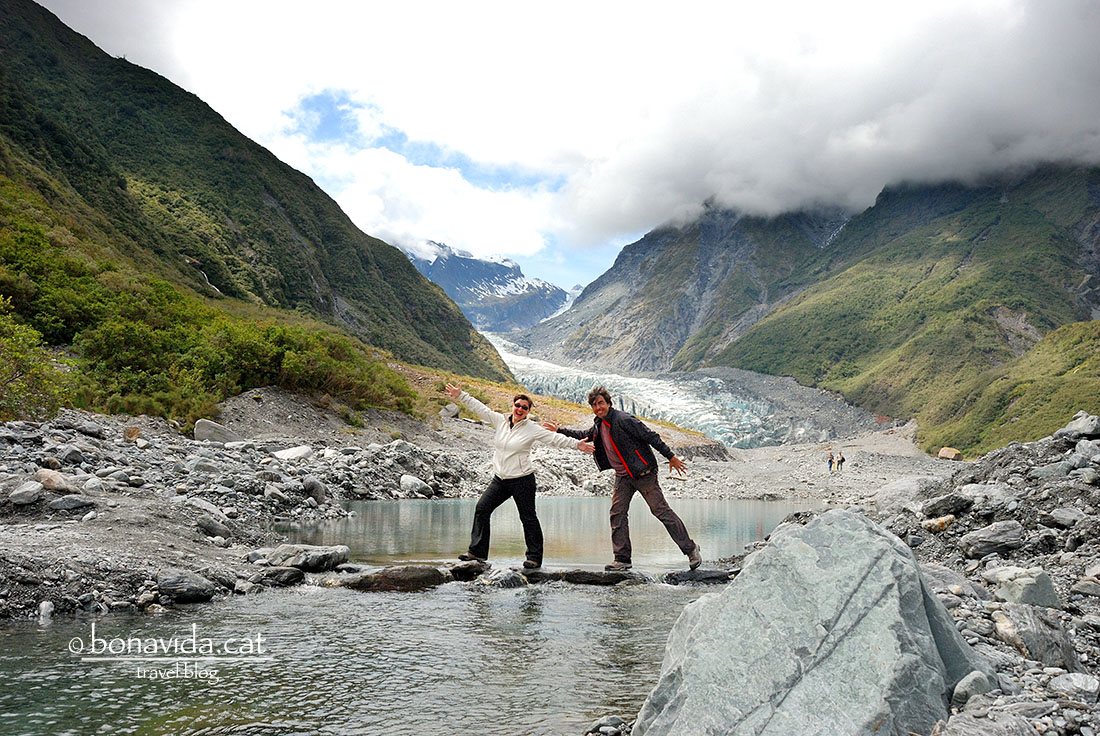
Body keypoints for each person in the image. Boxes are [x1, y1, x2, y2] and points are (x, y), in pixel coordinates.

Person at [542, 386, 702, 571]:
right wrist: (560, 430)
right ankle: (622, 559)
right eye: (594, 405)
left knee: (660, 511)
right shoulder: (599, 425)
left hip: (644, 473)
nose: (598, 407)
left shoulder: (624, 420)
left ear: (608, 403)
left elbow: (651, 436)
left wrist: (671, 457)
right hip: (624, 476)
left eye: (601, 403)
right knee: (617, 514)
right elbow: (584, 436)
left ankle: (691, 549)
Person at [445, 383, 593, 569]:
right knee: (482, 509)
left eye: (524, 407)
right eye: (517, 405)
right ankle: (477, 553)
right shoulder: (500, 420)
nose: (520, 409)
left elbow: (555, 439)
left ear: (528, 411)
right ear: (512, 406)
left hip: (522, 479)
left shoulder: (532, 428)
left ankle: (534, 558)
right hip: (500, 479)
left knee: (528, 517)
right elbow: (480, 408)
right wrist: (461, 395)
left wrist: (577, 445)